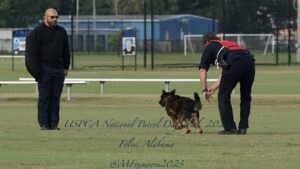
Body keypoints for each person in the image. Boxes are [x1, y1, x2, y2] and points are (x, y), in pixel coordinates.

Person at [198, 32, 255, 135]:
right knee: (246, 97)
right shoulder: (227, 44)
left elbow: (202, 70)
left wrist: (204, 90)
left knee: (223, 97)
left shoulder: (210, 45)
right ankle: (243, 128)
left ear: (206, 42)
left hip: (235, 62)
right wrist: (213, 88)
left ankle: (230, 128)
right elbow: (226, 71)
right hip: (249, 62)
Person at [25, 8, 70, 130]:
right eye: (52, 17)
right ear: (45, 17)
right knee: (44, 98)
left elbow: (66, 51)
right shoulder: (37, 32)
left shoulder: (61, 32)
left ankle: (54, 124)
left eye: (56, 17)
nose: (55, 19)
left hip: (58, 70)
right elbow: (30, 55)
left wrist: (65, 67)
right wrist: (37, 73)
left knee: (55, 98)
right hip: (44, 70)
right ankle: (44, 124)